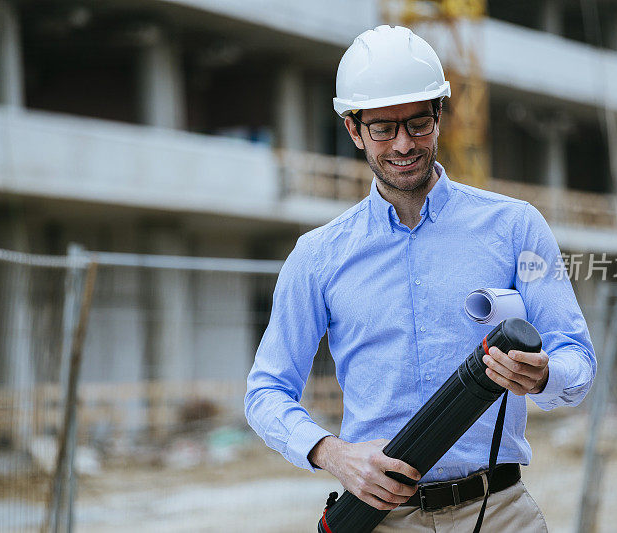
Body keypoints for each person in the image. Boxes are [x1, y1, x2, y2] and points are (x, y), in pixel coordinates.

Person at [245, 25, 596, 532]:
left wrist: (542, 376)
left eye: (418, 124)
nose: (404, 144)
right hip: (383, 519)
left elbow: (576, 360)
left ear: (440, 116)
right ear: (353, 129)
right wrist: (331, 453)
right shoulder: (318, 257)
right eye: (383, 128)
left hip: (498, 512)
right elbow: (266, 391)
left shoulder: (515, 227)